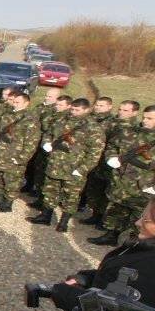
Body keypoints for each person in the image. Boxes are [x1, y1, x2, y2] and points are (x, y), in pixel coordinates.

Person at [30, 98, 105, 232]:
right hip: (55, 164)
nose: (74, 112)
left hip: (74, 168)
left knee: (71, 197)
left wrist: (83, 169)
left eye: (77, 110)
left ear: (87, 110)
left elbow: (95, 153)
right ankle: (46, 216)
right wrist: (46, 142)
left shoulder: (93, 128)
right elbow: (49, 133)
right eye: (72, 109)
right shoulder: (61, 120)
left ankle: (64, 222)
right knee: (49, 191)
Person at [91, 105, 155, 246]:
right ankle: (111, 235)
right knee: (116, 210)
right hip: (122, 180)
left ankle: (134, 245)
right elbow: (112, 146)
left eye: (150, 118)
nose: (145, 121)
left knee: (139, 218)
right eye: (144, 117)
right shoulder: (129, 132)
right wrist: (111, 157)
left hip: (144, 186)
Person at [0, 89, 41, 212]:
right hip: (1, 153)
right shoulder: (7, 115)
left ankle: (8, 203)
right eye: (14, 102)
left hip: (15, 156)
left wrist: (21, 159)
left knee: (12, 181)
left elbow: (31, 143)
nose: (15, 104)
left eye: (18, 102)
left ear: (27, 103)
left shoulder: (30, 120)